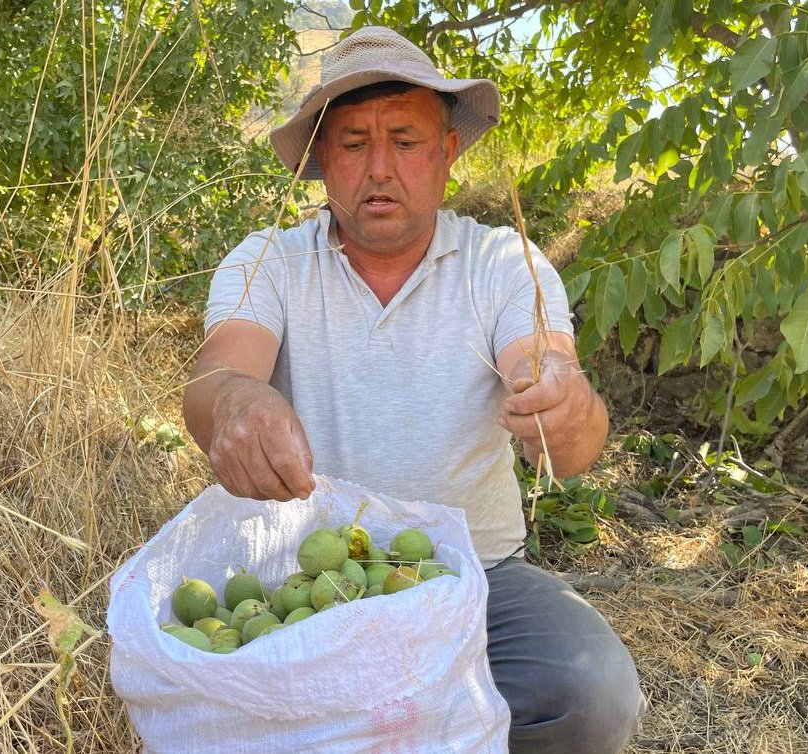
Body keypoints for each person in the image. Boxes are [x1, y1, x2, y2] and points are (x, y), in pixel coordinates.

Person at [182, 25, 644, 753]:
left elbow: (565, 411)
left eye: (405, 139)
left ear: (447, 153)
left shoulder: (498, 263)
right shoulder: (268, 261)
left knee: (591, 692)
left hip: (471, 579)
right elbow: (217, 376)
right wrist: (238, 402)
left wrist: (565, 402)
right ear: (320, 160)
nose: (380, 169)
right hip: (306, 580)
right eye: (354, 143)